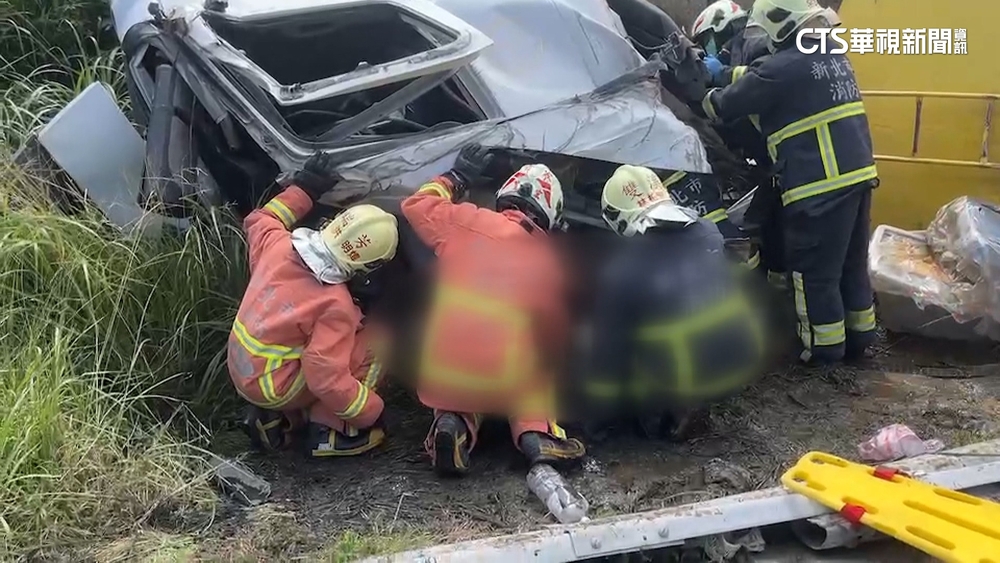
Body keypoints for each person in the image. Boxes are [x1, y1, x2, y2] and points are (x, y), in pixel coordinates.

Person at [699, 0, 879, 365]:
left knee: (814, 274)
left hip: (819, 185)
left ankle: (823, 351)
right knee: (851, 265)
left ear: (780, 26)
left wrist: (705, 88)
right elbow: (761, 76)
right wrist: (726, 72)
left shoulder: (783, 68)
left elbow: (724, 105)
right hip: (856, 178)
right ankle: (860, 341)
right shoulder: (826, 54)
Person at [401, 144, 585, 476]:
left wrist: (456, 177)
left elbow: (417, 205)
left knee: (456, 388)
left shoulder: (464, 221)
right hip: (506, 376)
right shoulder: (550, 263)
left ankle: (453, 424)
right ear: (550, 214)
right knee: (537, 374)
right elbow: (554, 335)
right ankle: (536, 433)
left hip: (447, 371)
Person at [228, 153, 400, 457]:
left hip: (243, 369)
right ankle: (330, 429)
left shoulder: (279, 247)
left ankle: (277, 420)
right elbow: (325, 376)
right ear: (368, 267)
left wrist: (305, 188)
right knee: (377, 340)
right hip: (275, 388)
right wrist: (372, 411)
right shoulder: (334, 306)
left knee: (299, 347)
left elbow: (261, 220)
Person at [583, 165, 766, 439]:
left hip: (681, 377)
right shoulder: (708, 230)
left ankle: (671, 409)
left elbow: (609, 353)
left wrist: (592, 421)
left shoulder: (623, 268)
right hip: (739, 361)